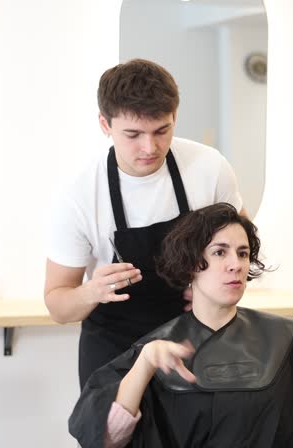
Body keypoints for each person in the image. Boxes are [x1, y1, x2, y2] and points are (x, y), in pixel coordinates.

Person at [69, 203, 293, 448]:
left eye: (243, 253)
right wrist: (146, 363)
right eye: (220, 252)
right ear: (192, 264)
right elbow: (107, 437)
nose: (236, 264)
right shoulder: (156, 351)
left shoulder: (286, 339)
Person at [44, 58, 249, 388]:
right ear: (104, 124)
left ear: (174, 118)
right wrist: (92, 291)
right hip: (114, 353)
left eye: (161, 131)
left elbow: (243, 245)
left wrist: (210, 287)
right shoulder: (78, 194)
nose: (149, 147)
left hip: (194, 341)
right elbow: (58, 305)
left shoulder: (209, 168)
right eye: (133, 134)